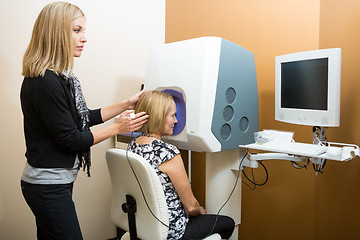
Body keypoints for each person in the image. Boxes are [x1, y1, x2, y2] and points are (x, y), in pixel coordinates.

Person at [20, 2, 148, 239]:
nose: (84, 38)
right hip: (46, 186)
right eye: (77, 30)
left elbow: (81, 118)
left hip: (52, 183)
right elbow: (71, 139)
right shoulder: (45, 81)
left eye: (83, 31)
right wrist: (117, 128)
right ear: (57, 32)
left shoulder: (59, 78)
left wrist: (124, 105)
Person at [128, 90, 235, 240]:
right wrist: (199, 210)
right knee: (228, 223)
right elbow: (191, 207)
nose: (177, 121)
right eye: (172, 115)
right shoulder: (168, 152)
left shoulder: (133, 146)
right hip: (173, 231)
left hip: (146, 225)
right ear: (159, 116)